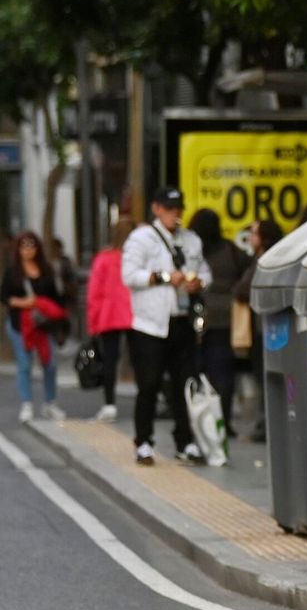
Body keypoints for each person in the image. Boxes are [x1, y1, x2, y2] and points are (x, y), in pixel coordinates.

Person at [122, 187, 211, 466]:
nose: (177, 214)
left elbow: (206, 272)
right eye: (170, 208)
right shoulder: (142, 239)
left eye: (179, 208)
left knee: (185, 383)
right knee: (149, 384)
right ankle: (144, 442)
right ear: (157, 209)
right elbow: (129, 275)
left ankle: (185, 441)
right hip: (149, 325)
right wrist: (163, 277)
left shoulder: (191, 240)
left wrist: (199, 283)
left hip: (181, 321)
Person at [189, 208, 251, 435]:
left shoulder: (193, 252)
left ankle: (200, 418)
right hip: (226, 319)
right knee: (224, 372)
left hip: (197, 318)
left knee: (196, 370)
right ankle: (222, 420)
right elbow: (247, 269)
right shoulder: (230, 250)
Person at [2, 231, 68, 423]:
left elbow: (56, 297)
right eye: (24, 246)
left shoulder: (46, 270)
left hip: (43, 325)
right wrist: (25, 302)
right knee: (24, 364)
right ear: (18, 249)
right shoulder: (13, 272)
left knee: (51, 363)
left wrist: (43, 305)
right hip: (20, 325)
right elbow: (5, 297)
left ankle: (50, 403)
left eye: (31, 246)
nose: (28, 250)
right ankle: (27, 404)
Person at [234, 217, 284, 442]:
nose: (251, 238)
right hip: (267, 326)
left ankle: (265, 427)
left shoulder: (265, 260)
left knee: (265, 378)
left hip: (267, 327)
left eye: (254, 233)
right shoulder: (264, 259)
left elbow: (244, 289)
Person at [85, 219, 137, 421]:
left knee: (110, 360)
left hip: (109, 315)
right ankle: (146, 397)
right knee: (140, 359)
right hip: (136, 314)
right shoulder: (136, 259)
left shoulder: (104, 259)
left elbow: (93, 293)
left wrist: (93, 322)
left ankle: (109, 404)